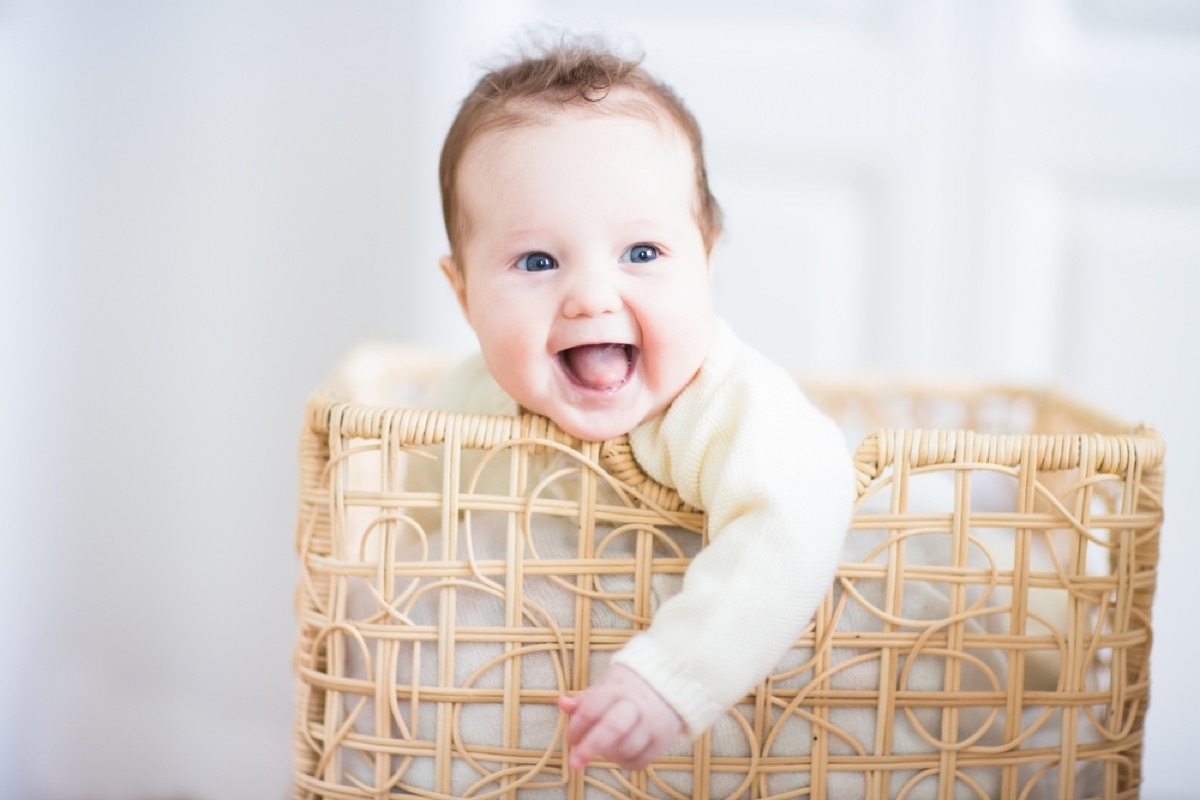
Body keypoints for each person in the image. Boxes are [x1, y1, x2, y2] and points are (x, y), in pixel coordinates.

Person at [431, 39, 856, 773]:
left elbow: (794, 516)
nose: (593, 295)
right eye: (538, 261)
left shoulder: (725, 400)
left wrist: (670, 678)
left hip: (776, 733)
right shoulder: (467, 401)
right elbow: (411, 523)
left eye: (642, 254)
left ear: (707, 259)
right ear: (464, 294)